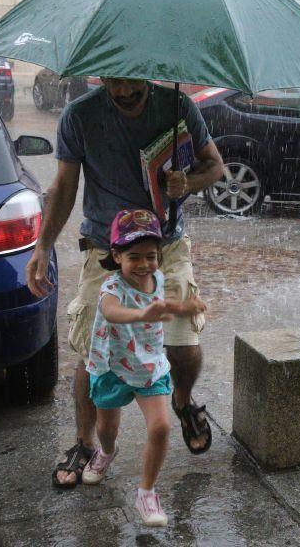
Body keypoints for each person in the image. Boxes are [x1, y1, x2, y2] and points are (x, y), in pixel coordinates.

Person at [26, 77, 224, 488]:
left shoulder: (177, 108)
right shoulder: (79, 116)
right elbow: (64, 186)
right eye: (113, 82)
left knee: (184, 344)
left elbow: (214, 165)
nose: (123, 92)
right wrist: (42, 246)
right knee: (91, 352)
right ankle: (85, 442)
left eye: (131, 82)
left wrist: (188, 183)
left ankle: (182, 402)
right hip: (106, 248)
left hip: (165, 247)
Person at [81, 209, 189, 526]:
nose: (144, 265)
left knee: (160, 427)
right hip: (111, 366)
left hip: (149, 366)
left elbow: (164, 305)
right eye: (134, 257)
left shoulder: (157, 279)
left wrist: (185, 307)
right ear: (116, 255)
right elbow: (112, 312)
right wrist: (141, 315)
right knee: (107, 429)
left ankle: (147, 492)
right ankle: (107, 451)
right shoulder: (111, 288)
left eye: (151, 256)